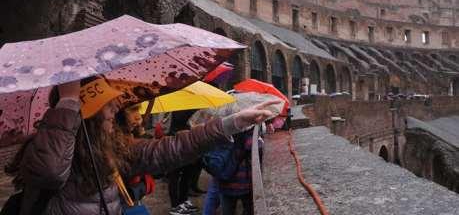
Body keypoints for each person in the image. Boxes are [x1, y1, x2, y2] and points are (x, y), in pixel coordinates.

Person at [6, 78, 279, 215]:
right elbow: (51, 172)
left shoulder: (110, 147)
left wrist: (231, 123)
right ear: (86, 114)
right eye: (108, 107)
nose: (116, 110)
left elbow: (170, 149)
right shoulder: (46, 154)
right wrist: (68, 102)